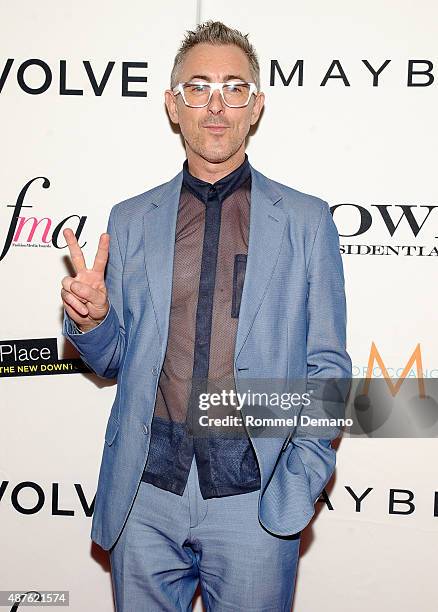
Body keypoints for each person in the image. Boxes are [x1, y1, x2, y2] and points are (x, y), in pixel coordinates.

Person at [61, 20, 352, 612]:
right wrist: (92, 323)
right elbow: (116, 358)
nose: (216, 106)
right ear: (174, 104)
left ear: (257, 105)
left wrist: (299, 482)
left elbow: (328, 367)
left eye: (234, 88)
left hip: (255, 495)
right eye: (198, 88)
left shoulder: (305, 221)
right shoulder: (131, 219)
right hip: (144, 494)